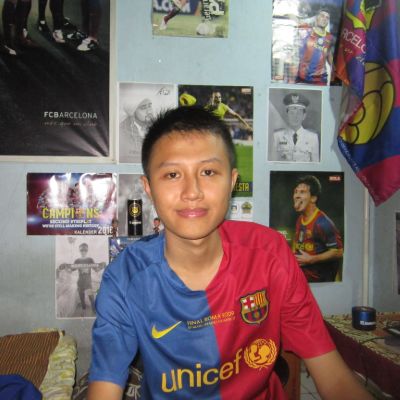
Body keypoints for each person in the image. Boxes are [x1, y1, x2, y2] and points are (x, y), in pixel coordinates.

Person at [88, 107, 371, 399]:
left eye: (208, 172)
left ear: (232, 182)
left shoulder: (269, 254)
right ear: (148, 188)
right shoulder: (126, 277)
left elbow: (333, 376)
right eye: (172, 174)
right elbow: (104, 385)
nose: (192, 192)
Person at [292, 175, 344, 283]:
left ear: (313, 198)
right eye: (296, 192)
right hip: (303, 280)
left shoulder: (323, 223)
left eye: (302, 192)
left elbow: (339, 252)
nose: (297, 195)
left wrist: (312, 259)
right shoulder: (300, 219)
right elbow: (297, 243)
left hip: (320, 284)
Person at [270, 92, 319, 162]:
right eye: (292, 113)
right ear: (287, 115)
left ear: (304, 116)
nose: (295, 117)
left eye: (299, 113)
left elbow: (316, 165)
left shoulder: (313, 137)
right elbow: (272, 162)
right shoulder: (277, 136)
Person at [60, 242, 106, 317]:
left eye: (85, 250)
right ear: (79, 250)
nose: (83, 252)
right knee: (82, 299)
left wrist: (102, 265)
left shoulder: (90, 260)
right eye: (82, 250)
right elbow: (70, 271)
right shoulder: (77, 261)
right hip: (80, 283)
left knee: (91, 298)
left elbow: (96, 269)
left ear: (87, 250)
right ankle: (83, 312)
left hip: (88, 283)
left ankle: (94, 312)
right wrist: (65, 267)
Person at [296, 8, 336, 85]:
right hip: (303, 77)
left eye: (327, 17)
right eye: (322, 16)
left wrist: (334, 69)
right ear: (316, 17)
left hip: (320, 79)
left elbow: (328, 53)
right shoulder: (306, 30)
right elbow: (295, 20)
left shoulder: (330, 37)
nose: (324, 19)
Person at [119, 98, 154, 163]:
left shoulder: (158, 126)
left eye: (149, 106)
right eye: (143, 108)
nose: (149, 111)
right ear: (133, 113)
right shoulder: (122, 130)